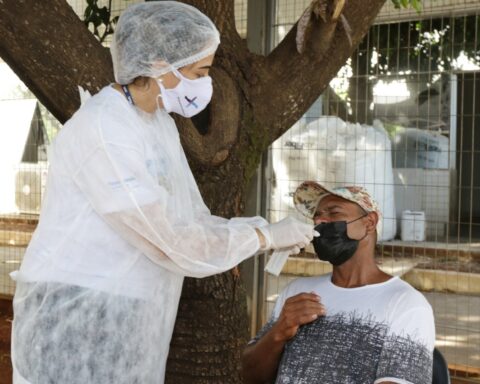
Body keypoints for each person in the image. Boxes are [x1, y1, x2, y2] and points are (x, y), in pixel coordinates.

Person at [9, 2, 316, 383]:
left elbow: (189, 218)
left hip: (125, 309)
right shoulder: (105, 130)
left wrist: (262, 232)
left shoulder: (155, 122)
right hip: (81, 310)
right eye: (199, 71)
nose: (207, 83)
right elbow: (168, 240)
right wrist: (262, 236)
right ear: (158, 65)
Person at [242, 181, 436, 384]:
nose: (321, 221)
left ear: (369, 222)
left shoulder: (406, 304)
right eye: (317, 216)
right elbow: (250, 376)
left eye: (333, 213)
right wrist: (278, 332)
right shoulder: (297, 291)